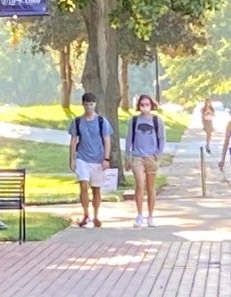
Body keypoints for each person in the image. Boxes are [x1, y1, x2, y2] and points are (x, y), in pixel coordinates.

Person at [68, 92, 113, 228]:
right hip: (82, 158)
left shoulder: (101, 121)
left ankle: (96, 216)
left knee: (96, 190)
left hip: (98, 159)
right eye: (86, 104)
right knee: (83, 184)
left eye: (91, 104)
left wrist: (106, 158)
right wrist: (72, 159)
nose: (89, 107)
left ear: (95, 104)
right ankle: (85, 214)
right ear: (83, 104)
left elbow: (107, 141)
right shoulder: (77, 122)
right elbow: (73, 141)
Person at [124, 94, 165, 227]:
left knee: (150, 187)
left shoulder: (156, 121)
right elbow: (129, 139)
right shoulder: (134, 120)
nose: (144, 107)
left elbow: (161, 138)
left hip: (151, 156)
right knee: (140, 184)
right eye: (142, 105)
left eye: (147, 104)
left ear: (151, 105)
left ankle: (150, 215)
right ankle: (139, 214)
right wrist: (127, 156)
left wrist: (158, 155)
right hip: (137, 156)